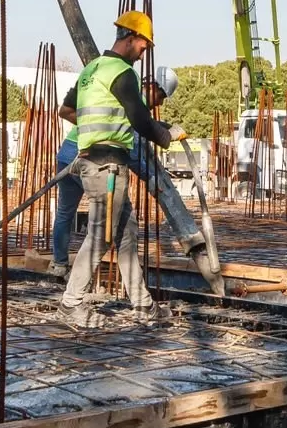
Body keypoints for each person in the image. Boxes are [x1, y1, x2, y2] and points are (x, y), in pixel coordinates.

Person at [58, 11, 184, 319]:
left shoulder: (93, 68)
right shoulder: (122, 72)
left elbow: (68, 109)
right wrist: (167, 135)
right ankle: (70, 304)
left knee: (127, 231)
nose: (143, 56)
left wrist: (98, 129)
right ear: (131, 40)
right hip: (107, 167)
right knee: (101, 234)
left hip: (94, 161)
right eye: (143, 48)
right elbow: (141, 120)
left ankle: (142, 303)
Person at [47, 65, 219, 289]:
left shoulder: (120, 95)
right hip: (90, 158)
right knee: (106, 221)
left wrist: (162, 129)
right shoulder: (129, 95)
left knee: (65, 213)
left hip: (68, 152)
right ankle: (77, 284)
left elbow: (138, 125)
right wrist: (152, 177)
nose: (160, 103)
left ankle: (59, 264)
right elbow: (135, 150)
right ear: (151, 86)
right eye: (161, 96)